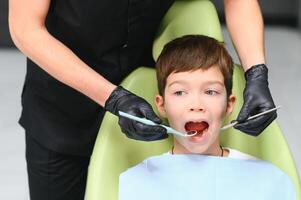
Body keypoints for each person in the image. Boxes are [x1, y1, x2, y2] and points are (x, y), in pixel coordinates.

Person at [8, 0, 277, 199]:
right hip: (63, 105)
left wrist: (257, 73)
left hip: (147, 103)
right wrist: (113, 98)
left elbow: (239, 2)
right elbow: (25, 28)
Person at [119, 35, 295, 200]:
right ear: (161, 105)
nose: (196, 104)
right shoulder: (137, 182)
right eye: (180, 92)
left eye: (210, 92)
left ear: (229, 105)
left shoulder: (269, 180)